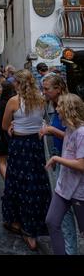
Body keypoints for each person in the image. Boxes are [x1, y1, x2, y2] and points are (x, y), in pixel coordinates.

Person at [2, 70, 51, 251]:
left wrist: (13, 127)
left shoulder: (14, 101)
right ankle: (32, 228)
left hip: (20, 145)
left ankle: (15, 221)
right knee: (35, 184)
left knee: (17, 183)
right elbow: (42, 121)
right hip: (36, 146)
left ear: (18, 84)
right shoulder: (41, 99)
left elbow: (5, 125)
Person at [40, 75, 78, 255]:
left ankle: (70, 248)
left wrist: (52, 130)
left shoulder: (68, 107)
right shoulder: (53, 106)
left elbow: (75, 137)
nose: (44, 92)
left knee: (68, 212)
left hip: (71, 165)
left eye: (47, 88)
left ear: (58, 89)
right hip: (61, 159)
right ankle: (68, 248)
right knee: (59, 216)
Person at [45, 94, 84, 255]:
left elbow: (81, 164)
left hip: (79, 191)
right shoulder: (69, 129)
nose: (57, 109)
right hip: (64, 187)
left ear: (68, 110)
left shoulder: (81, 133)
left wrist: (56, 158)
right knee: (52, 222)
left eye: (60, 106)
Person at [0, 81, 16, 179]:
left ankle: (8, 184)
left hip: (3, 134)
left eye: (0, 88)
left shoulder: (2, 102)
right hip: (14, 133)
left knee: (2, 162)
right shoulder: (15, 100)